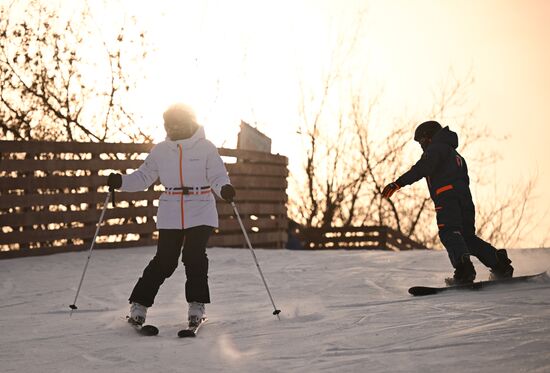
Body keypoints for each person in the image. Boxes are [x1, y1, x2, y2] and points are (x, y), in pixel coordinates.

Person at [107, 103, 236, 327]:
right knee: (165, 260)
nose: (173, 128)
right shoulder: (160, 150)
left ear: (189, 122)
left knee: (194, 255)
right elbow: (143, 177)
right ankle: (139, 303)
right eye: (169, 124)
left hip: (201, 208)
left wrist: (224, 188)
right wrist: (121, 182)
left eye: (178, 123)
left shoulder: (205, 147)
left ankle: (197, 304)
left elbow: (217, 175)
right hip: (171, 209)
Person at [381, 121, 514, 285]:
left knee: (449, 232)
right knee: (466, 238)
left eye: (421, 141)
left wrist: (398, 183)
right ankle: (500, 265)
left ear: (429, 137)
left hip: (447, 197)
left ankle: (464, 271)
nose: (421, 146)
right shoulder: (456, 155)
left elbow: (422, 168)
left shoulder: (436, 148)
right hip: (464, 200)